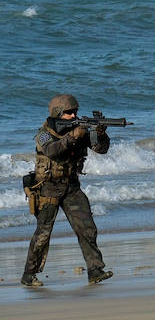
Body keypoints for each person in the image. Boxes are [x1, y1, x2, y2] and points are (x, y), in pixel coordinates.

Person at [20, 94, 115, 287]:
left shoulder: (79, 130)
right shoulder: (44, 133)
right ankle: (29, 274)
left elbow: (101, 149)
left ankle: (95, 270)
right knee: (43, 234)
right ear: (57, 113)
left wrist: (101, 134)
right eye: (69, 113)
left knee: (87, 227)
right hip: (48, 188)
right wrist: (73, 136)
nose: (73, 116)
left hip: (71, 187)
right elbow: (51, 151)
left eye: (75, 112)